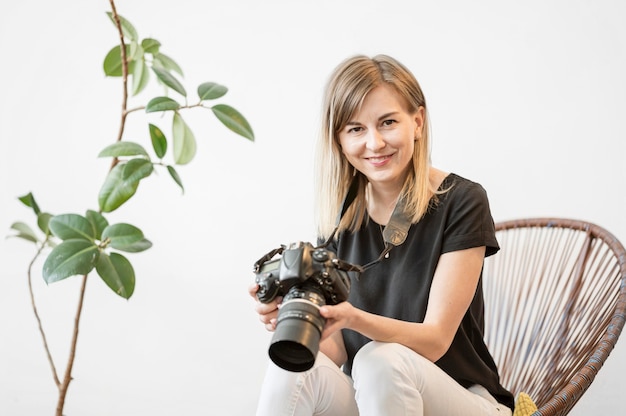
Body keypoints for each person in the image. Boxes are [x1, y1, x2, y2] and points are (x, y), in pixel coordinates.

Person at [248, 54, 515, 416]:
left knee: (380, 358)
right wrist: (294, 319)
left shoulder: (462, 201)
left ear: (417, 122)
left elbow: (435, 341)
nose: (374, 144)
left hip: (464, 399)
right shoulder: (340, 219)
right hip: (374, 399)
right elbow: (340, 351)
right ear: (339, 140)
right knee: (293, 370)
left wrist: (353, 317)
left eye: (387, 122)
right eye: (355, 129)